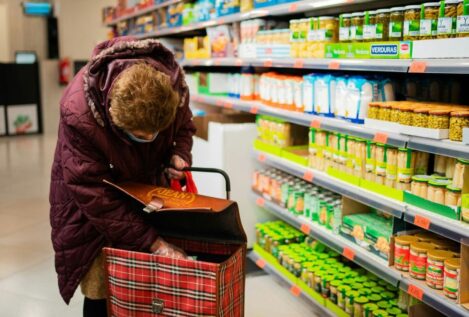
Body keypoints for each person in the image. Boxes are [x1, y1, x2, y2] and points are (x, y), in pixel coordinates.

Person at [49, 37, 196, 317]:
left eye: (155, 133)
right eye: (139, 136)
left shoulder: (173, 90)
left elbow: (183, 127)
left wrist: (179, 152)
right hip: (93, 209)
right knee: (101, 286)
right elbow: (90, 190)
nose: (150, 140)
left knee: (150, 287)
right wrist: (153, 243)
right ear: (113, 118)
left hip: (148, 194)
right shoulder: (79, 110)